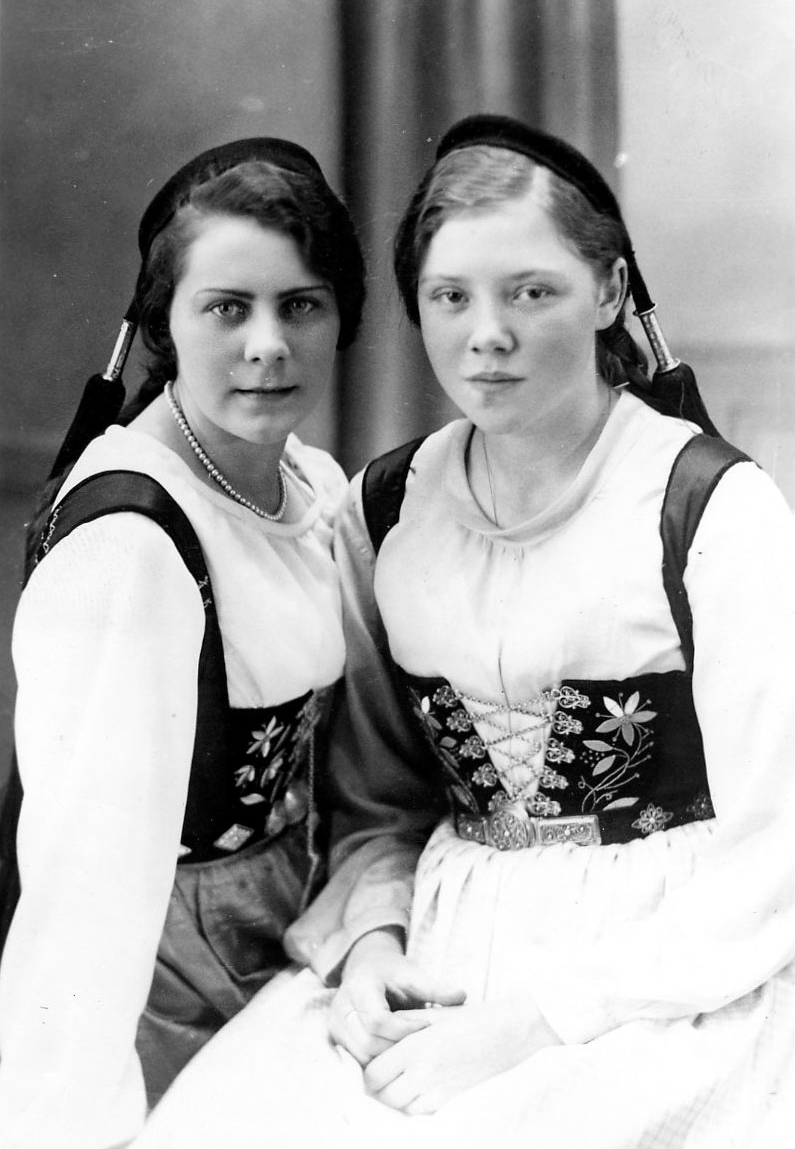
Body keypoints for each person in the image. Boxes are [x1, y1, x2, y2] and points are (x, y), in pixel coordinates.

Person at [132, 114, 795, 1149]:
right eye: (451, 298)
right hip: (442, 938)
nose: (487, 335)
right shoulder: (388, 506)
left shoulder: (710, 508)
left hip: (665, 967)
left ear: (609, 291)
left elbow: (778, 846)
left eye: (531, 292)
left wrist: (531, 1023)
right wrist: (371, 945)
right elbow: (378, 802)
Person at [0, 136, 366, 1149]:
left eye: (302, 306)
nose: (268, 345)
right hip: (163, 974)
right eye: (226, 308)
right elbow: (87, 879)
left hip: (294, 922)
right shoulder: (132, 541)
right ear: (166, 321)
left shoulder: (307, 483)